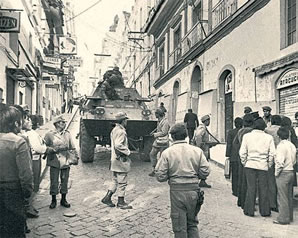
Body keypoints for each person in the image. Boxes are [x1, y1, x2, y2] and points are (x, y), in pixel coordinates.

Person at [155, 123, 210, 238]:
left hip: (177, 191)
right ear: (185, 136)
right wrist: (196, 176)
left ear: (172, 137)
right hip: (194, 191)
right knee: (192, 224)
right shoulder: (197, 151)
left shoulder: (167, 153)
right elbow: (205, 171)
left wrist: (170, 175)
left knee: (180, 227)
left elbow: (160, 176)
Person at [0, 105, 33, 238]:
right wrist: (26, 195)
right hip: (12, 193)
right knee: (14, 230)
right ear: (15, 123)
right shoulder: (18, 142)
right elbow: (26, 175)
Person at [239, 118, 275, 217]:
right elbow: (272, 153)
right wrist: (269, 164)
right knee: (263, 188)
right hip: (263, 165)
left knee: (251, 187)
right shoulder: (269, 138)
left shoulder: (247, 136)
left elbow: (242, 152)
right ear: (263, 126)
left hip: (250, 165)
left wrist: (244, 162)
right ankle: (265, 211)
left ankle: (249, 210)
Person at [44, 115, 78, 209]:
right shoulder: (49, 135)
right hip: (54, 160)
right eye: (61, 122)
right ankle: (53, 200)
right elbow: (44, 148)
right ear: (56, 124)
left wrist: (75, 157)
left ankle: (63, 199)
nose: (64, 124)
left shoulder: (67, 134)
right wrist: (55, 149)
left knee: (64, 181)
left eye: (64, 122)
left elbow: (72, 146)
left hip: (65, 161)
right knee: (54, 181)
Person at [101, 112, 132, 209]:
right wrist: (127, 152)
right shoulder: (121, 131)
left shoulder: (115, 129)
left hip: (114, 159)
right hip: (120, 160)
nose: (126, 122)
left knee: (115, 180)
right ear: (123, 121)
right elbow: (118, 145)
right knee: (122, 181)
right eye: (126, 120)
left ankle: (107, 198)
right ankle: (121, 202)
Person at [274, 127, 296, 225]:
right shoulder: (292, 145)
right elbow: (295, 160)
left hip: (283, 172)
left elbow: (279, 162)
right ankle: (289, 216)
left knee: (282, 196)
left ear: (278, 136)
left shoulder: (280, 146)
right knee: (289, 196)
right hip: (291, 171)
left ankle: (283, 218)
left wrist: (276, 173)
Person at [233, 113, 254, 209]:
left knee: (242, 180)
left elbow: (235, 144)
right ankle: (248, 203)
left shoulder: (240, 131)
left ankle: (240, 201)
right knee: (250, 183)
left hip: (241, 157)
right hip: (249, 158)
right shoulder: (251, 131)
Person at [193, 114, 217, 188]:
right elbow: (198, 137)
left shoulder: (203, 128)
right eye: (208, 120)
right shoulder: (202, 128)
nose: (209, 122)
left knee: (202, 166)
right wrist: (200, 146)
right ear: (206, 121)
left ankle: (202, 180)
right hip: (202, 151)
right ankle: (201, 181)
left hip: (204, 149)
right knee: (203, 166)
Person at [265, 115, 282, 212]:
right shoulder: (284, 130)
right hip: (281, 157)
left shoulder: (267, 130)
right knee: (280, 181)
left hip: (271, 157)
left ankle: (272, 203)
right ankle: (280, 204)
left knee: (271, 181)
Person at [148, 108, 170, 177]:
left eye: (156, 114)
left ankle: (163, 172)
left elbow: (164, 132)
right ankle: (154, 169)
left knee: (163, 157)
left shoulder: (165, 122)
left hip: (163, 142)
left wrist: (155, 134)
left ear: (158, 114)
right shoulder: (160, 121)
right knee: (152, 154)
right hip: (158, 141)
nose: (155, 115)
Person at [225, 117, 243, 196]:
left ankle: (234, 190)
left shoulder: (231, 132)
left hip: (234, 155)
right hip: (241, 156)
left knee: (234, 174)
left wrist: (228, 154)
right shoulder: (243, 132)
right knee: (241, 174)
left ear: (234, 124)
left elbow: (229, 144)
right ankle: (240, 189)